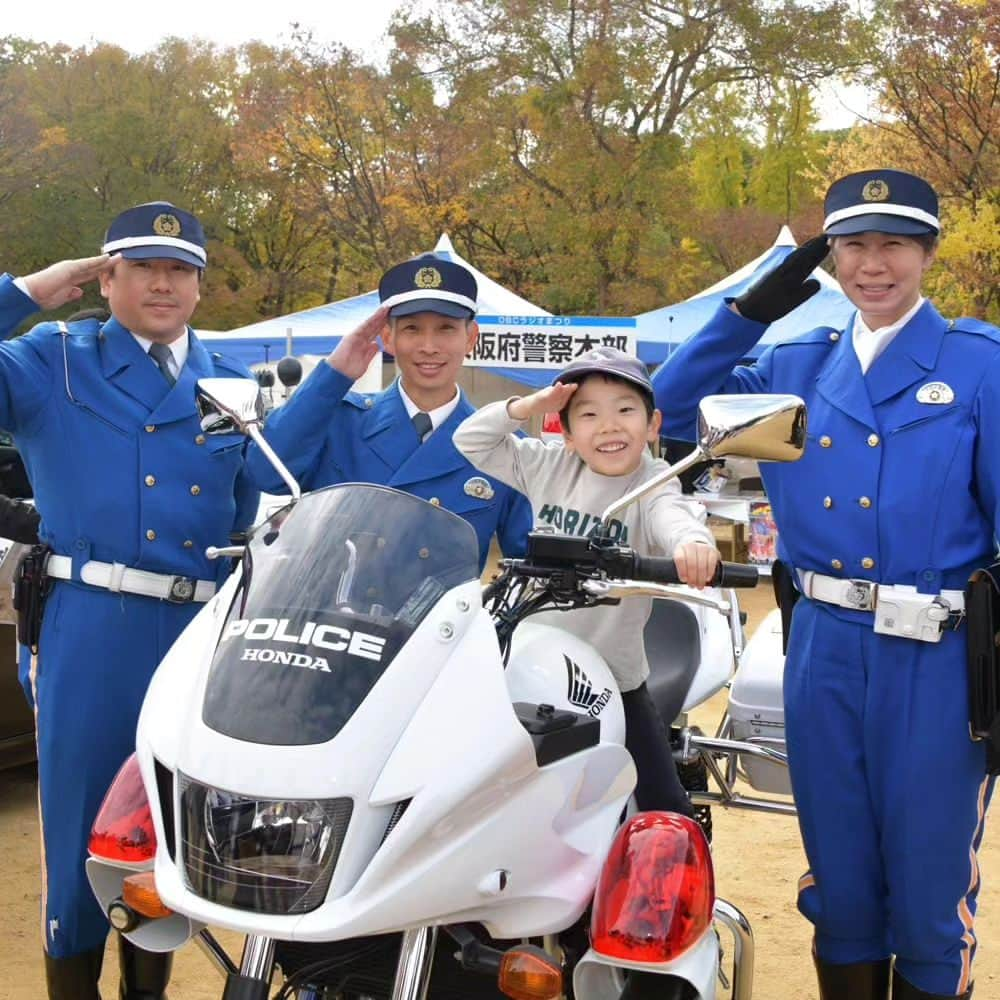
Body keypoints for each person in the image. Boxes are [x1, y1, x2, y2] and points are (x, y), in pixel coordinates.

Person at [650, 169, 999, 1000]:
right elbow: (659, 412)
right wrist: (747, 314)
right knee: (839, 881)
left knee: (924, 885)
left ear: (927, 254)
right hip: (824, 649)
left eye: (894, 245)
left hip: (938, 655)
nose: (872, 265)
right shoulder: (797, 358)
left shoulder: (978, 364)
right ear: (829, 256)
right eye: (853, 246)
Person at [0, 202, 259, 1000]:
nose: (162, 282)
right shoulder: (54, 360)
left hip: (194, 632)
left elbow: (248, 508)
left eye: (180, 269)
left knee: (166, 832)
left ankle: (147, 991)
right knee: (81, 829)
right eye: (142, 265)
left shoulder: (228, 381)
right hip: (90, 627)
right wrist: (26, 293)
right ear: (104, 278)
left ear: (201, 287)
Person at [453, 346, 719, 816]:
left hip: (612, 677)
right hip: (530, 663)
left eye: (624, 410)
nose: (609, 425)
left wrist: (691, 544)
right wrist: (527, 408)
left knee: (662, 803)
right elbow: (471, 441)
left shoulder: (653, 481)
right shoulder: (549, 464)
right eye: (589, 414)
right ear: (568, 433)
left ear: (653, 424)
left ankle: (673, 873)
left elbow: (671, 515)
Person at [246, 253, 532, 570]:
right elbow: (265, 473)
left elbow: (528, 562)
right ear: (388, 338)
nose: (429, 346)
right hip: (334, 615)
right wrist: (332, 375)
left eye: (446, 328)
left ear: (470, 338)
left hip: (442, 619)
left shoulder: (505, 445)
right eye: (412, 328)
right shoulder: (340, 420)